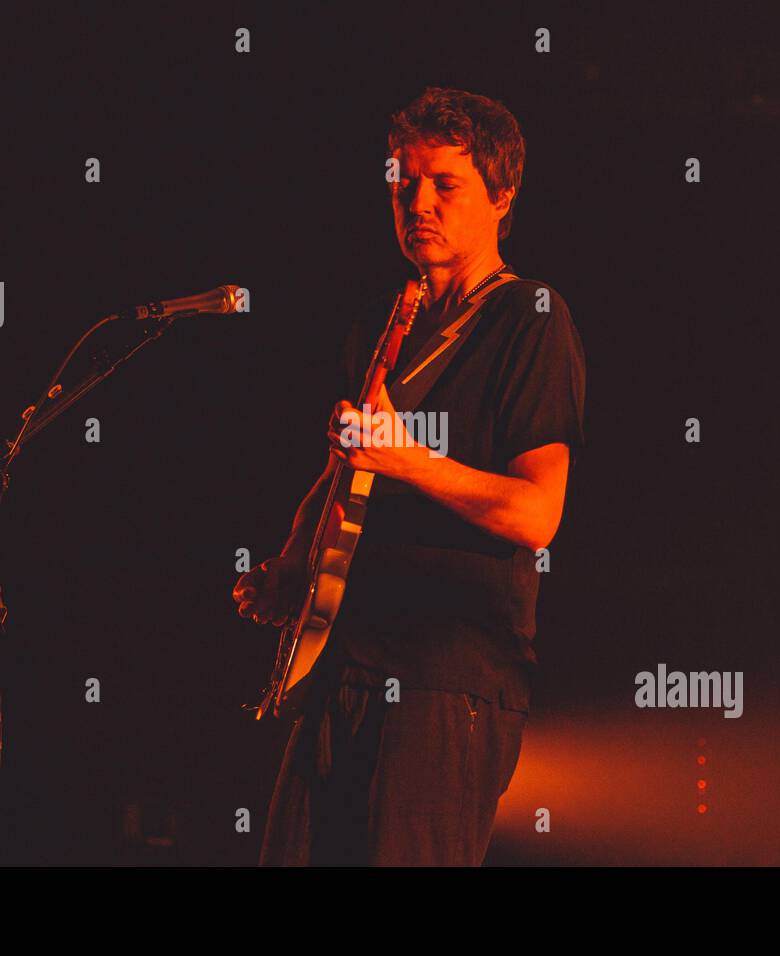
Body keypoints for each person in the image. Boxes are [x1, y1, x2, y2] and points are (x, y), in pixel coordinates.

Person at [232, 86, 586, 865]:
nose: (417, 202)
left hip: (446, 677)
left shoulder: (531, 317)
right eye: (404, 183)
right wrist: (294, 562)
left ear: (501, 196)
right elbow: (345, 467)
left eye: (444, 184)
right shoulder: (383, 319)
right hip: (342, 658)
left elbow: (537, 514)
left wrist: (408, 459)